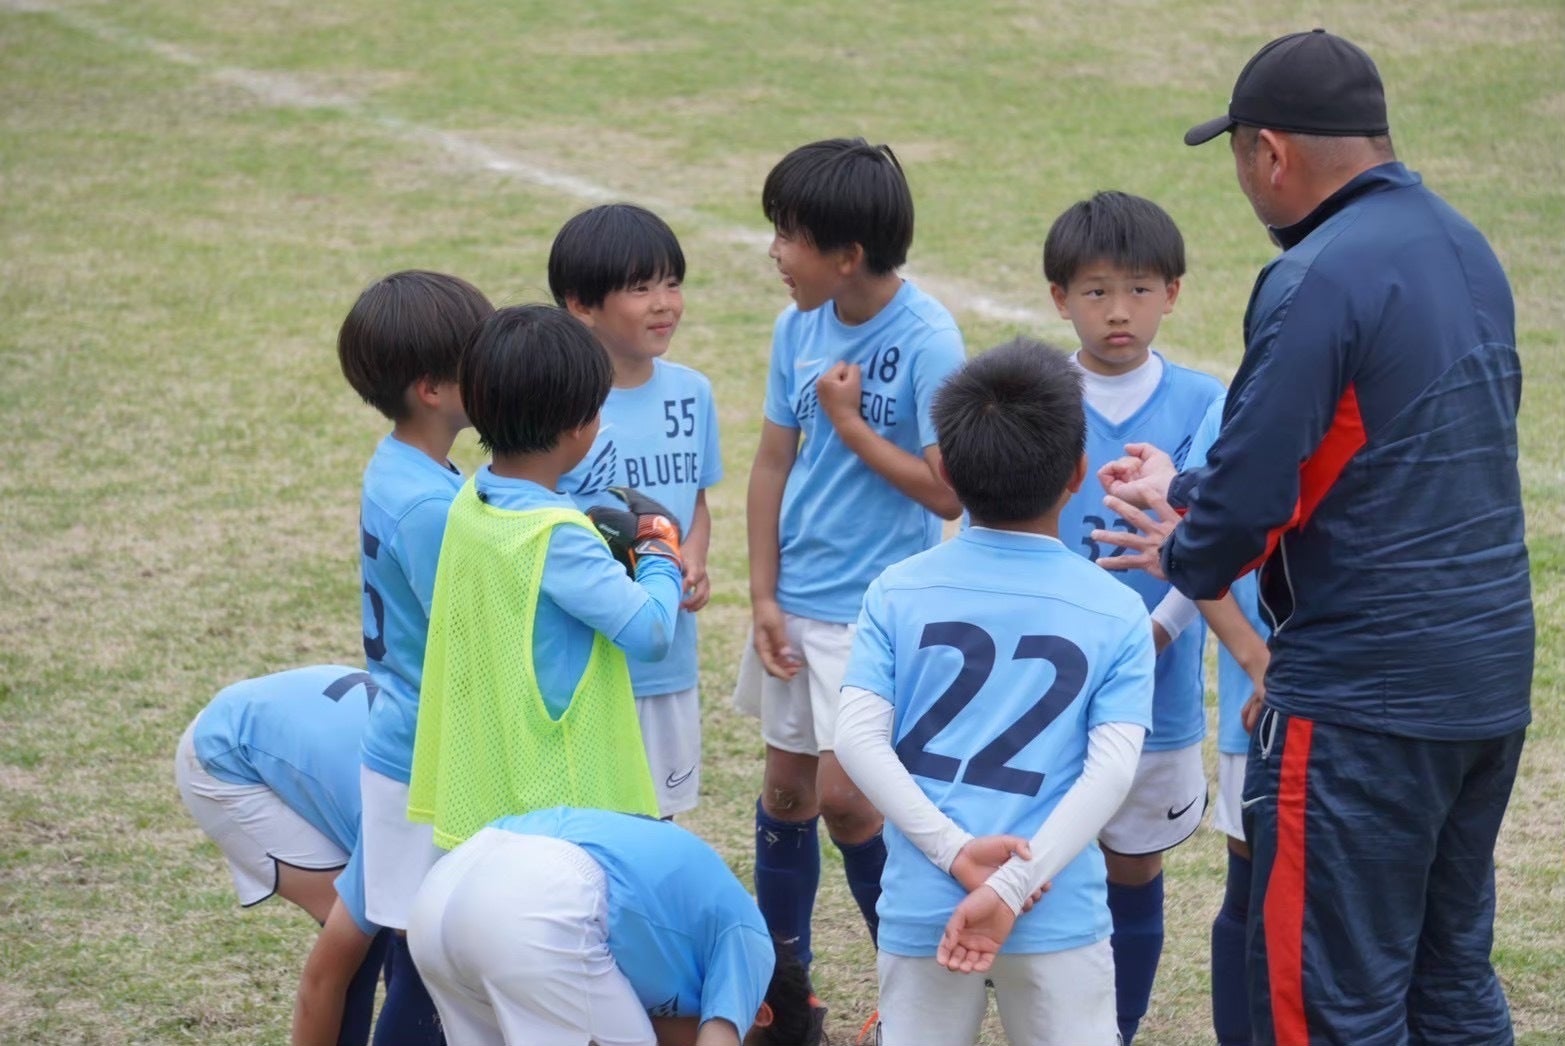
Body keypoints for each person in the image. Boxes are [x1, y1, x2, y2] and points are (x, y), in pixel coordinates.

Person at [1095, 29, 1534, 1045]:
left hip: (1361, 701)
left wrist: (1187, 538)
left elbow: (1254, 495)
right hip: (1483, 684)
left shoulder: (1315, 274)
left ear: (1269, 152)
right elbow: (1371, 457)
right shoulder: (1465, 245)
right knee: (1448, 977)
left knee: (1329, 1000)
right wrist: (1190, 490)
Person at [835, 339, 1154, 1046]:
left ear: (946, 471)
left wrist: (954, 853)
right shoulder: (1116, 608)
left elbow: (855, 740)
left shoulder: (897, 590)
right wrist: (1012, 887)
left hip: (926, 898)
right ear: (1077, 472)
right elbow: (1111, 773)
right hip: (1055, 907)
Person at [742, 137, 966, 988]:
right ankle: (783, 993)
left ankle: (908, 988)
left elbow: (947, 494)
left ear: (847, 256)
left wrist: (850, 424)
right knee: (787, 794)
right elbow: (772, 464)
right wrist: (763, 595)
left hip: (872, 612)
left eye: (788, 235)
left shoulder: (928, 338)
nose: (774, 252)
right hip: (796, 599)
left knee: (847, 800)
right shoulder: (795, 327)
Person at [1043, 189, 1223, 1043]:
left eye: (1139, 289)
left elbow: (1219, 542)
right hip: (1045, 684)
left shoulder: (1205, 401)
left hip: (1158, 685)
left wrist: (1155, 630)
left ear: (1173, 293)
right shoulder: (1035, 397)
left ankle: (1117, 1025)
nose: (1118, 311)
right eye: (1095, 291)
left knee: (1133, 863)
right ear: (1059, 298)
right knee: (1044, 858)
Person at [407, 304, 683, 851]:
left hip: (494, 788)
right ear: (579, 424)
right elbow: (650, 631)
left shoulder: (472, 499)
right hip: (562, 803)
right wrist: (659, 548)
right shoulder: (556, 535)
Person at [339, 271, 493, 972]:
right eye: (480, 360)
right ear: (432, 389)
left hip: (412, 739)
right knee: (432, 958)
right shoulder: (429, 506)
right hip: (425, 759)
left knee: (429, 949)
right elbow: (473, 631)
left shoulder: (401, 466)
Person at [550, 203, 722, 818]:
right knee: (592, 826)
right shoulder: (559, 407)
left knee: (659, 820)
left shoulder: (692, 393)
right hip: (588, 665)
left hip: (667, 661)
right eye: (641, 288)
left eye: (672, 283)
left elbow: (695, 501)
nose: (664, 303)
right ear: (581, 304)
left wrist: (693, 556)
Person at [407, 807, 817, 1046]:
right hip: (536, 894)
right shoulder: (751, 943)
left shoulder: (674, 946)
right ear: (759, 1014)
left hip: (442, 889)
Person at [173, 665, 393, 1046]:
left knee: (398, 929)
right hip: (222, 755)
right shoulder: (394, 833)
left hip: (288, 715)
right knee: (363, 935)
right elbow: (322, 981)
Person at [1186, 397, 1270, 1046]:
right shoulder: (1240, 404)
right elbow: (1193, 547)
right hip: (1258, 712)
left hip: (1366, 704)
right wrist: (1257, 659)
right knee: (1250, 895)